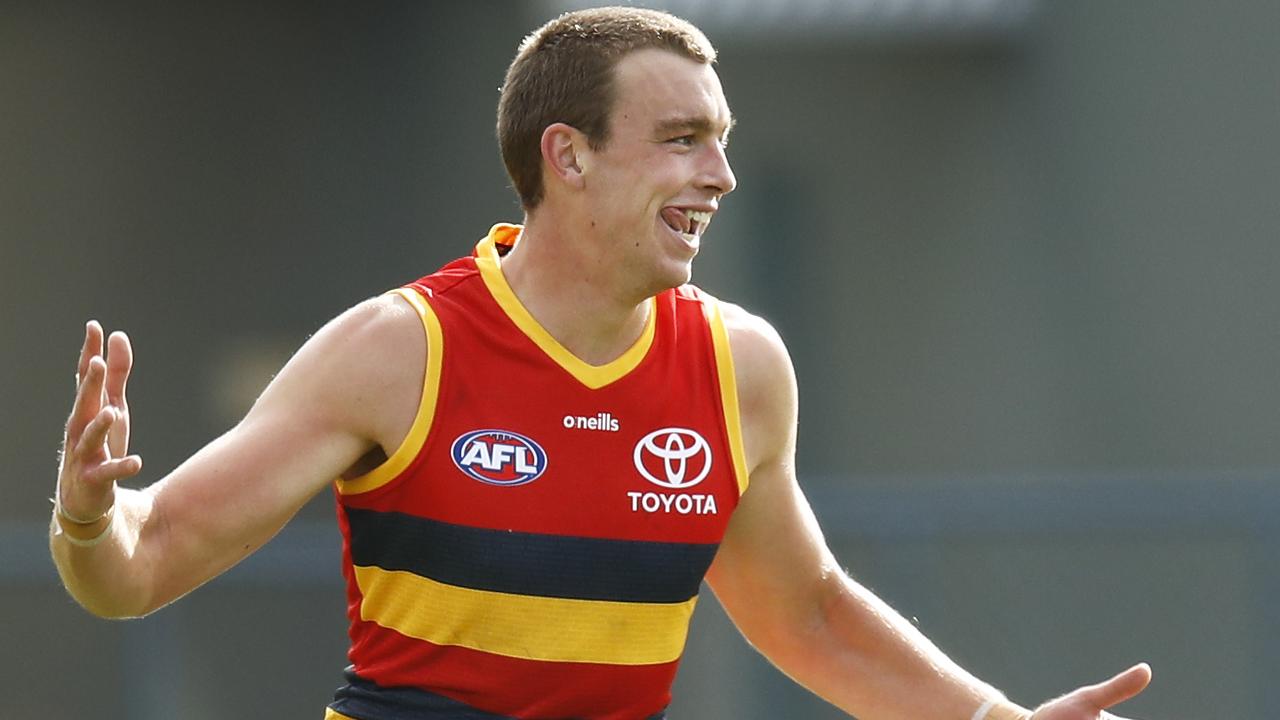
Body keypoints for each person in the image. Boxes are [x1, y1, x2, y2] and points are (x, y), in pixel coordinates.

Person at [51, 6, 1155, 720]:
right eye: (681, 138)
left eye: (719, 137)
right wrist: (93, 521)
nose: (719, 174)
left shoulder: (739, 367)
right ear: (565, 157)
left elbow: (807, 616)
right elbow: (141, 570)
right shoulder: (399, 349)